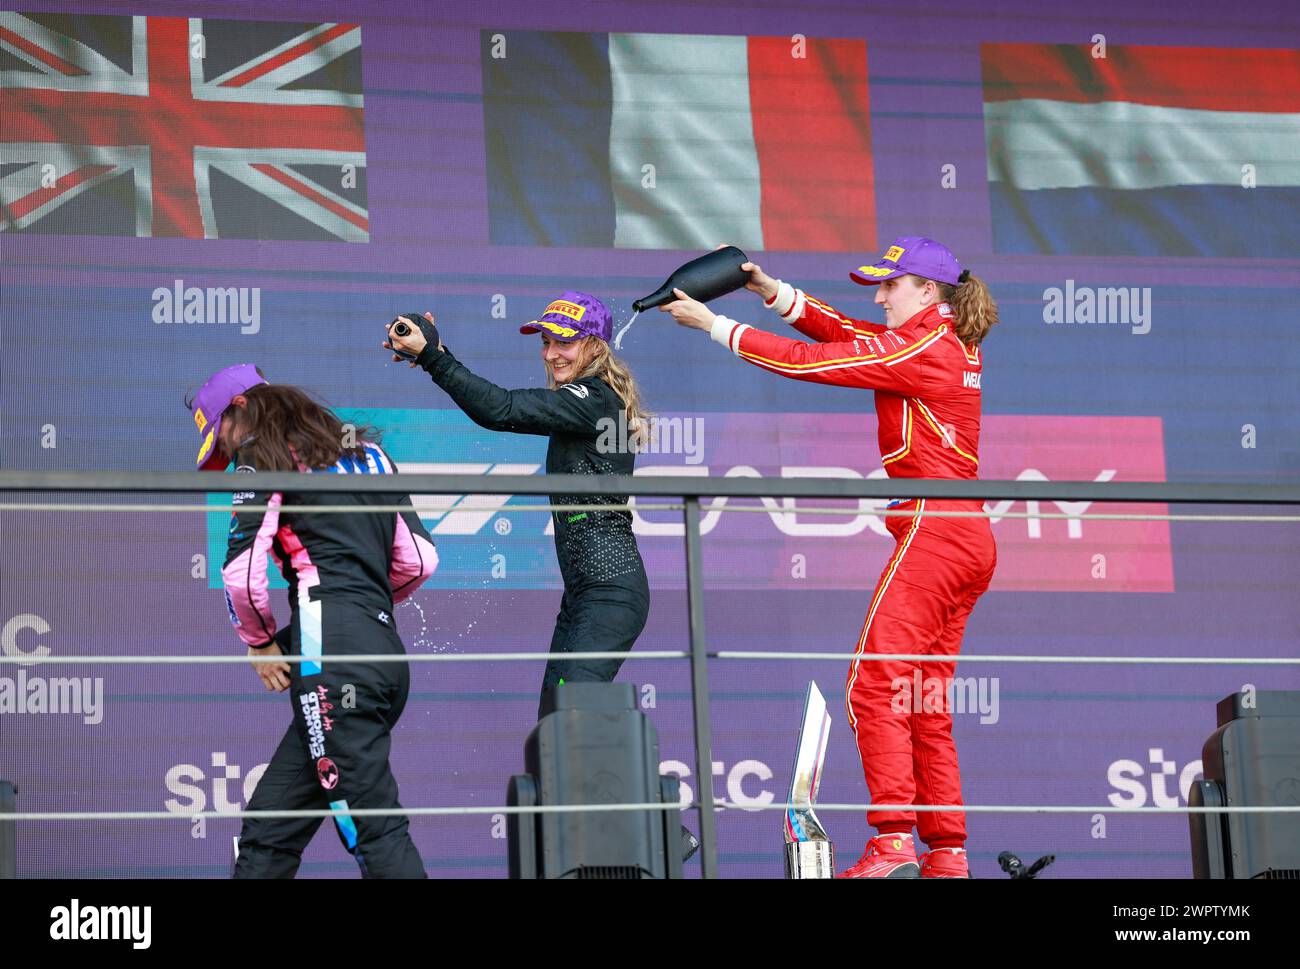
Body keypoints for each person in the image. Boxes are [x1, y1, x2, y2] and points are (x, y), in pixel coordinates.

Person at [661, 237, 998, 879]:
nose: (878, 295)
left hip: (936, 528)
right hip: (962, 536)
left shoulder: (926, 346)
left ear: (928, 291)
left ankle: (894, 843)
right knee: (920, 696)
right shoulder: (937, 339)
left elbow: (809, 362)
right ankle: (947, 855)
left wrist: (715, 325)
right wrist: (770, 290)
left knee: (874, 686)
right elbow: (845, 331)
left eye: (889, 285)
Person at [189, 364, 438, 878]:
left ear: (240, 409)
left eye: (224, 440)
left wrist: (259, 643)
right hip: (383, 652)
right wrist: (354, 603)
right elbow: (419, 561)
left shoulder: (263, 453)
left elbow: (241, 572)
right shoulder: (370, 453)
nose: (229, 454)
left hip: (331, 659)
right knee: (269, 830)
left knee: (372, 830)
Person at [383, 293, 651, 721]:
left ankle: (622, 788)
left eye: (564, 342)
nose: (550, 354)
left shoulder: (593, 398)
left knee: (570, 723)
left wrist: (434, 358)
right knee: (554, 727)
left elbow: (499, 409)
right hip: (584, 594)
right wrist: (433, 351)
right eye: (545, 342)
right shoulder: (587, 401)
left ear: (595, 347)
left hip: (610, 592)